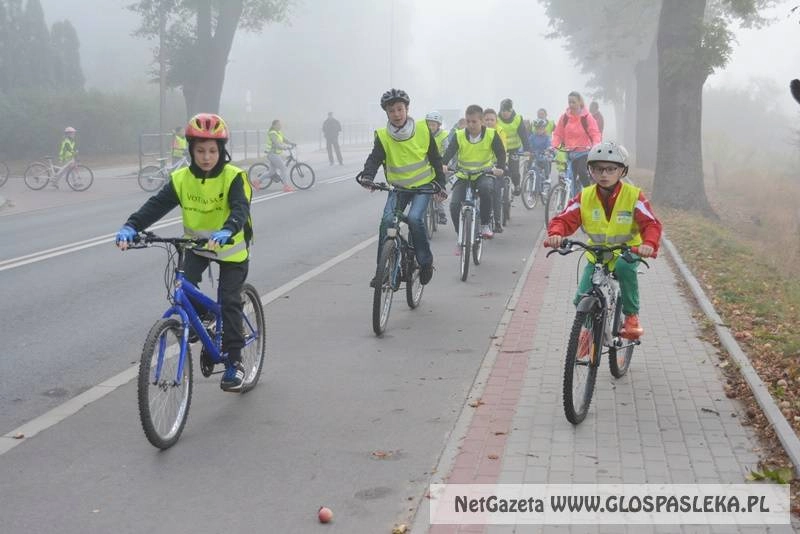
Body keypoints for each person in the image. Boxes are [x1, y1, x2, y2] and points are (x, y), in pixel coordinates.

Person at [115, 113, 253, 392]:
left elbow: (240, 208)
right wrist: (131, 225)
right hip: (197, 247)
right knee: (183, 285)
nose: (206, 157)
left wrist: (227, 230)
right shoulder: (181, 179)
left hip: (230, 249)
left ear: (222, 151)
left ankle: (235, 362)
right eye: (200, 150)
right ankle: (206, 319)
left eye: (212, 151)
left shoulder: (234, 177)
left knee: (229, 301)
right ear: (191, 150)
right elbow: (156, 205)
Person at [543, 141, 661, 345]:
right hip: (597, 253)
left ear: (622, 171)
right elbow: (564, 218)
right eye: (598, 169)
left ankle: (631, 316)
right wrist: (556, 234)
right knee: (581, 297)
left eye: (610, 169)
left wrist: (648, 243)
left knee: (625, 269)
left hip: (627, 251)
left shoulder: (633, 196)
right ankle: (590, 331)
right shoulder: (586, 196)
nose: (604, 174)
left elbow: (651, 223)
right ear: (590, 171)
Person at [360, 89, 447, 287]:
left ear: (407, 109)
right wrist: (368, 176)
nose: (397, 114)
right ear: (386, 113)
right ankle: (382, 271)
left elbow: (435, 158)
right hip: (399, 188)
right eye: (392, 111)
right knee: (387, 221)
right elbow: (374, 159)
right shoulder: (383, 135)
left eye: (400, 109)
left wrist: (440, 184)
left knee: (416, 219)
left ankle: (425, 262)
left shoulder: (423, 130)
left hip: (423, 187)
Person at [441, 104, 506, 246]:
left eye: (474, 121)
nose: (470, 124)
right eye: (468, 121)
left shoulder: (491, 134)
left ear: (481, 121)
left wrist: (500, 167)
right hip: (464, 175)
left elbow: (501, 153)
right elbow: (449, 152)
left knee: (486, 190)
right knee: (454, 205)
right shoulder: (459, 135)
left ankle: (485, 225)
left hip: (484, 173)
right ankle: (461, 234)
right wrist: (444, 164)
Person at [551, 91, 602, 192]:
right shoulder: (564, 117)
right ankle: (570, 201)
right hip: (569, 153)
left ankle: (590, 194)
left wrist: (595, 146)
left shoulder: (587, 117)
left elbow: (595, 133)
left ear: (580, 102)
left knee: (582, 172)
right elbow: (558, 134)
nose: (571, 105)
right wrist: (555, 146)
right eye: (569, 102)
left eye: (573, 102)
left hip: (584, 152)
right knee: (569, 179)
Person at [496, 98, 532, 196]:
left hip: (514, 149)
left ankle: (516, 185)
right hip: (500, 149)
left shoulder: (517, 119)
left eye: (507, 110)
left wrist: (527, 149)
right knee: (500, 168)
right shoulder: (496, 119)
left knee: (514, 170)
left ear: (511, 110)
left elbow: (523, 135)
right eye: (503, 110)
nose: (505, 113)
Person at [482, 108, 507, 233]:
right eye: (486, 119)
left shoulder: (499, 131)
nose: (489, 122)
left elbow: (502, 151)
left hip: (496, 166)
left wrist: (499, 167)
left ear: (496, 121)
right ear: (482, 120)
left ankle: (497, 221)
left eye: (492, 120)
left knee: (496, 192)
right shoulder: (478, 132)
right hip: (481, 168)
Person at [426, 110, 450, 225]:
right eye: (428, 124)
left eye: (433, 125)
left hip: (440, 166)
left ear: (438, 125)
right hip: (426, 167)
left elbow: (447, 152)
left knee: (438, 189)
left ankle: (441, 213)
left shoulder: (443, 136)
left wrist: (445, 165)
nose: (430, 127)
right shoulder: (423, 135)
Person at [264, 119, 297, 192]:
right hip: (272, 154)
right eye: (278, 125)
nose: (280, 126)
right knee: (283, 168)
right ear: (274, 125)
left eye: (280, 124)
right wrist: (285, 147)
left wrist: (291, 143)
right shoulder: (272, 133)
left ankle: (257, 181)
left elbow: (285, 140)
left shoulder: (278, 132)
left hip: (275, 154)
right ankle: (286, 187)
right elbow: (277, 144)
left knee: (271, 172)